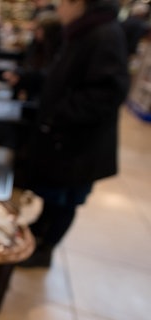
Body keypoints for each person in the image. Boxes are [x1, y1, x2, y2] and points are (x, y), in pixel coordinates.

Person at [20, 0, 130, 268]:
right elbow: (65, 76)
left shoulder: (102, 33)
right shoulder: (84, 30)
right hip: (67, 137)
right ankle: (40, 231)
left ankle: (46, 248)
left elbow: (107, 92)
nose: (58, 8)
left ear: (79, 3)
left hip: (79, 141)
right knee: (55, 193)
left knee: (66, 199)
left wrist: (59, 114)